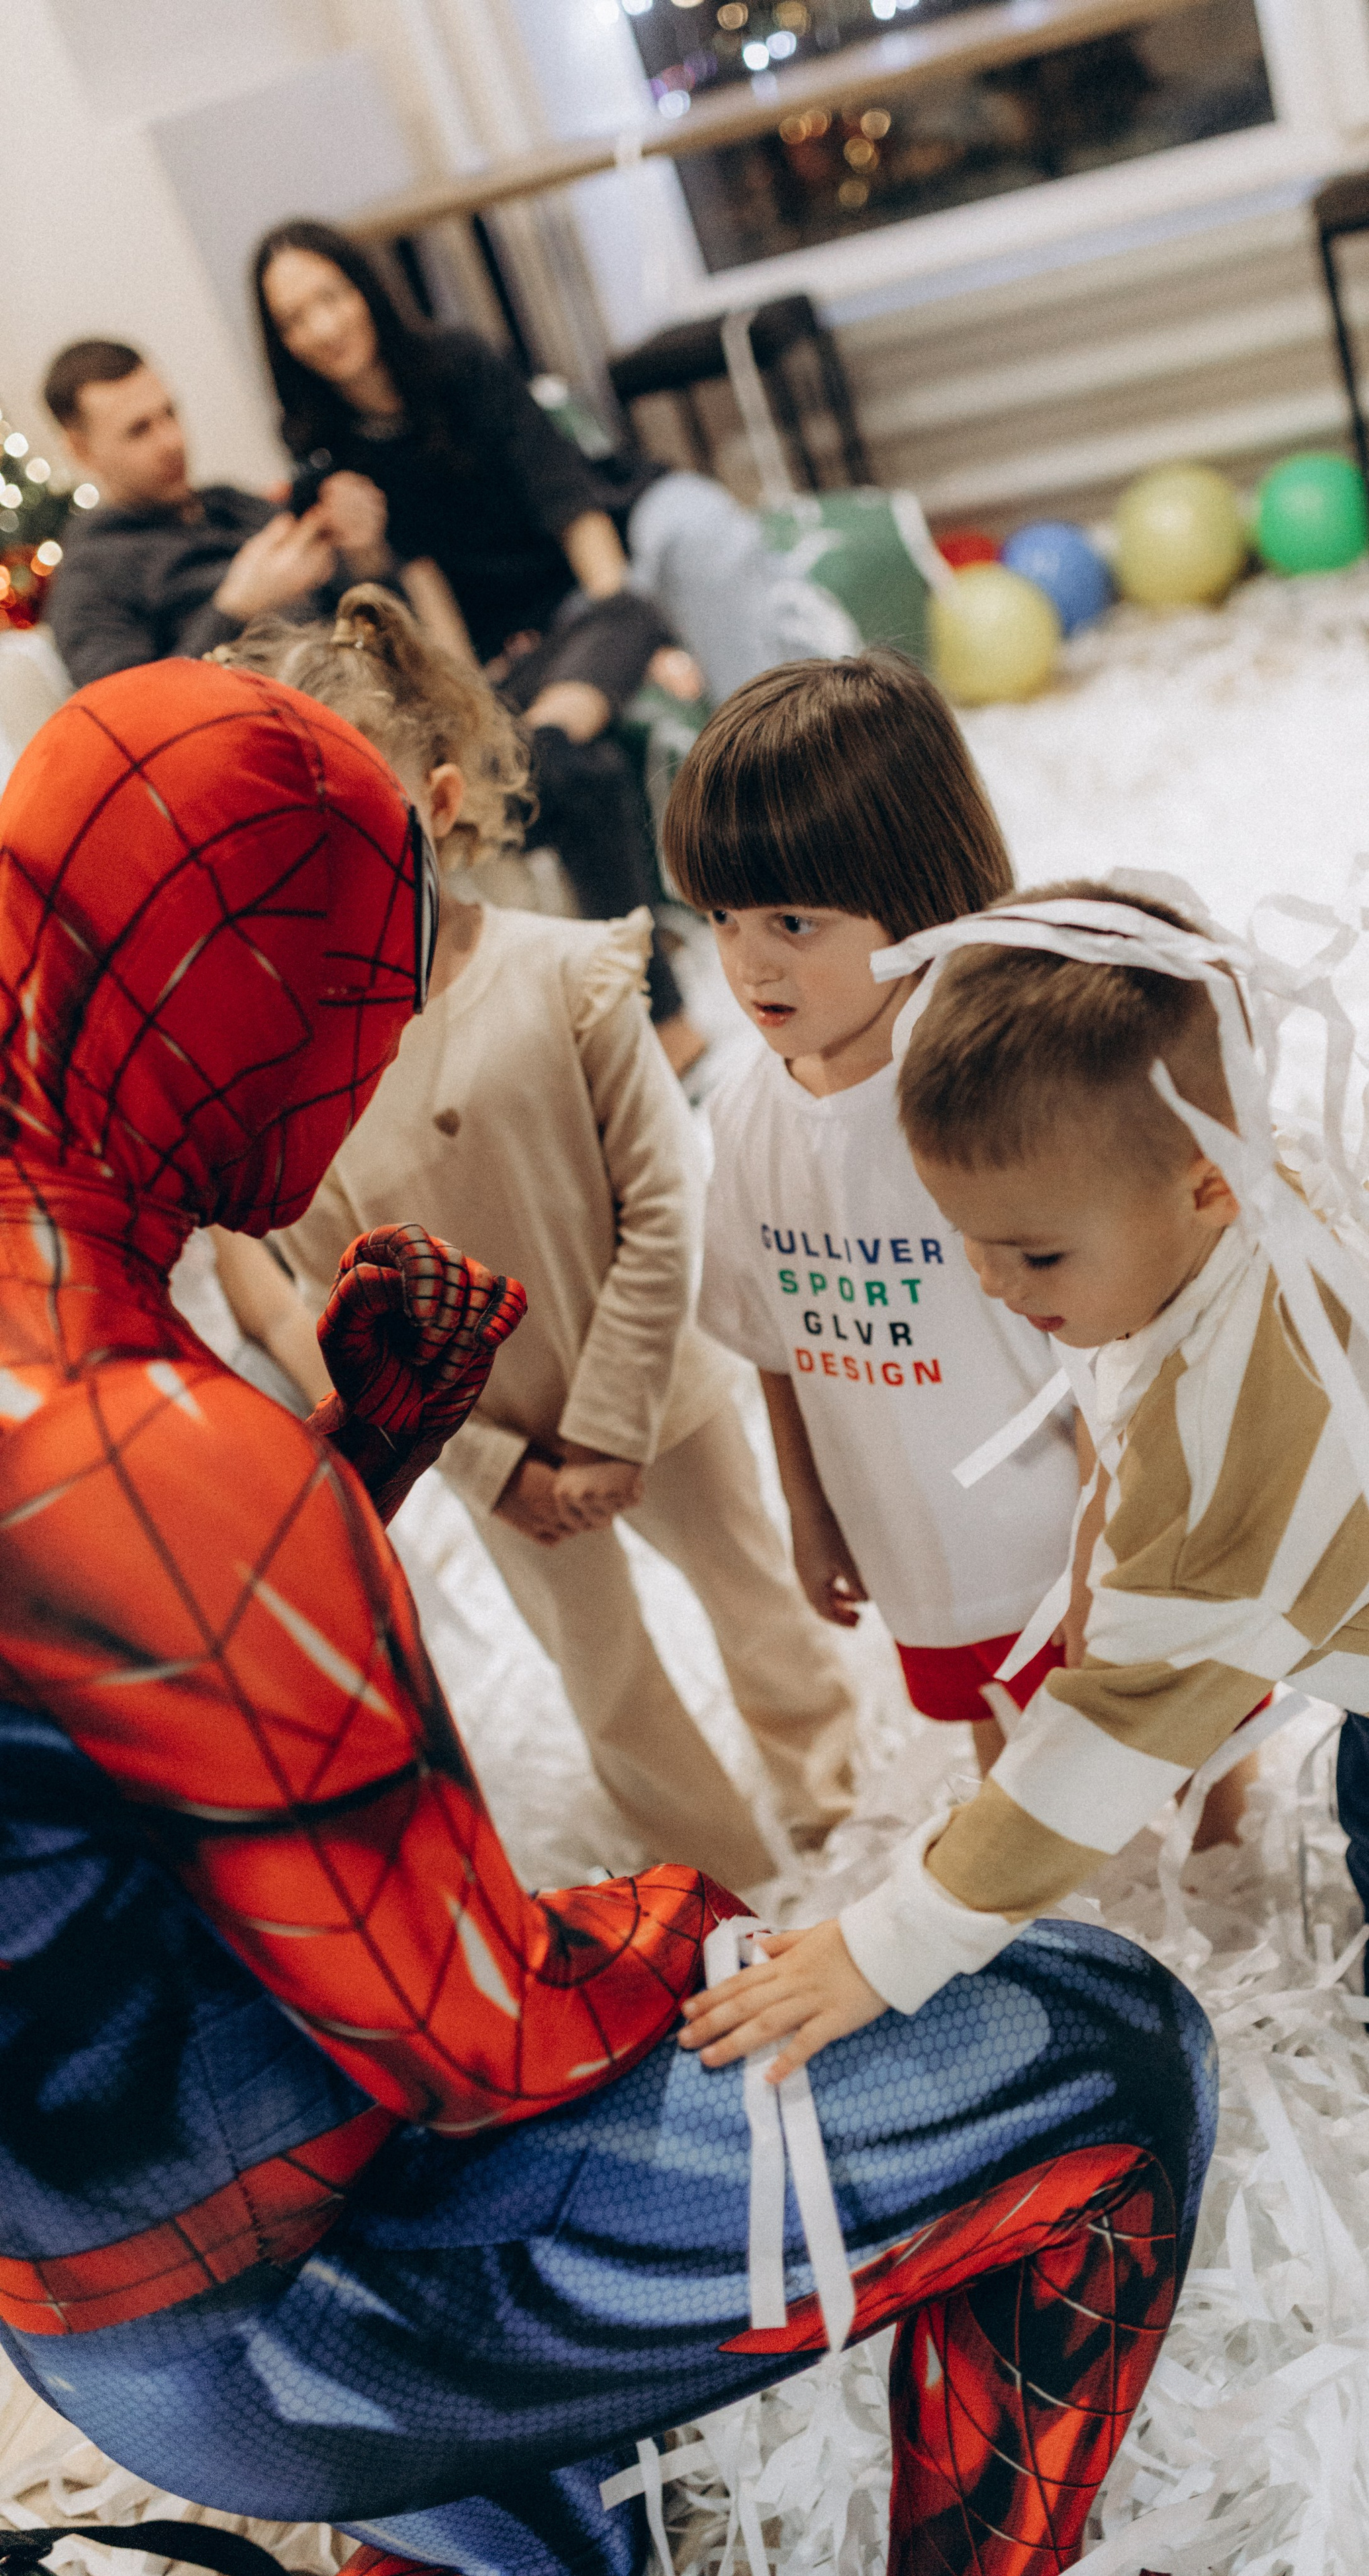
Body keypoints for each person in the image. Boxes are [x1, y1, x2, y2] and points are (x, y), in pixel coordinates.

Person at [0, 656, 1217, 2576]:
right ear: (232, 998)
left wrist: (353, 1456)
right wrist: (682, 1920)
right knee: (1115, 2052)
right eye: (351, 1008)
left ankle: (477, 2533)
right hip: (308, 2290)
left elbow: (108, 1725)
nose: (364, 1072)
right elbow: (473, 2036)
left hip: (92, 2250)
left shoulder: (56, 1299)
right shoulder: (156, 1452)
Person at [682, 874, 1369, 2124]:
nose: (991, 1282)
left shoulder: (1246, 1429)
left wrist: (888, 1942)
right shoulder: (1228, 1188)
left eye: (1034, 1254)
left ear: (1208, 1181)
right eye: (968, 1237)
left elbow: (1113, 1734)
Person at [238, 586, 857, 1885]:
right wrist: (499, 1467)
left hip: (659, 1397)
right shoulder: (300, 1076)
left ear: (441, 802)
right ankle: (714, 1879)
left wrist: (612, 1423)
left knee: (757, 1613)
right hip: (493, 1452)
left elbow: (660, 1201)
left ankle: (832, 1815)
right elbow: (336, 1310)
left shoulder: (568, 973)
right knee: (604, 1671)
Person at [248, 220, 833, 1070]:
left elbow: (565, 493)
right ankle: (662, 1020)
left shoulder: (458, 365)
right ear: (282, 343)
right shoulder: (323, 457)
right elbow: (411, 603)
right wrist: (390, 583)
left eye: (330, 297)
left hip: (584, 595)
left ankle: (567, 734)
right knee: (580, 760)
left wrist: (620, 626)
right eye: (296, 319)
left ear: (365, 289)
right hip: (504, 655)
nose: (324, 328)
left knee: (630, 611)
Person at [664, 652, 1082, 1781]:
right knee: (1003, 1750)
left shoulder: (995, 1092)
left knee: (1178, 1755)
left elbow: (1106, 1344)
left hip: (1072, 1538)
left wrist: (1125, 1542)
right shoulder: (749, 1113)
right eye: (721, 917)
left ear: (918, 896)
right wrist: (809, 1509)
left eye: (792, 921)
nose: (748, 964)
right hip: (917, 1539)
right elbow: (773, 1346)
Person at [40, 337, 384, 686]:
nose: (172, 441)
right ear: (81, 451)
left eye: (169, 414)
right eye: (139, 430)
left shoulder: (229, 504)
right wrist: (236, 611)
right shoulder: (90, 579)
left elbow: (359, 607)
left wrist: (361, 551)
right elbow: (132, 720)